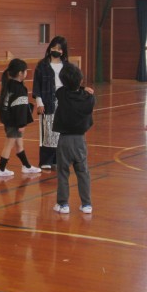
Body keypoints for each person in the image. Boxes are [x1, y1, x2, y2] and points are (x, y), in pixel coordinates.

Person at [51, 62, 95, 214]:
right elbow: (84, 93)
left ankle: (63, 204)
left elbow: (61, 90)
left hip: (64, 140)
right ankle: (86, 204)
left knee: (63, 172)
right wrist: (84, 89)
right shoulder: (89, 99)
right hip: (80, 140)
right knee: (83, 172)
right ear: (81, 80)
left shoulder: (62, 94)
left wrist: (81, 87)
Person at [0, 58, 42, 177]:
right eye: (25, 71)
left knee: (19, 144)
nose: (26, 73)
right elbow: (20, 109)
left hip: (9, 120)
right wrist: (21, 124)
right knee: (9, 144)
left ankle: (27, 166)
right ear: (20, 73)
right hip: (14, 122)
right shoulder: (19, 89)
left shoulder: (9, 85)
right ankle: (1, 169)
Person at [32, 36, 69, 169]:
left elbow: (73, 83)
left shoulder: (67, 66)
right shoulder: (42, 65)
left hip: (63, 103)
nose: (56, 51)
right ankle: (45, 161)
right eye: (54, 47)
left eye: (59, 49)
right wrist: (39, 102)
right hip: (47, 102)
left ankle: (57, 160)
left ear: (63, 51)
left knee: (60, 132)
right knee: (47, 132)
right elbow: (37, 86)